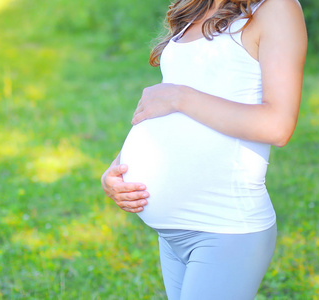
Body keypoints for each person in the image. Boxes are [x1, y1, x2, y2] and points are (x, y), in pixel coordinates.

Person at [101, 0, 307, 299]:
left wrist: (180, 97)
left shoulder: (276, 8)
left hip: (225, 227)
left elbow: (278, 125)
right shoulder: (196, 7)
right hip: (172, 235)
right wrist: (116, 168)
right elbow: (164, 107)